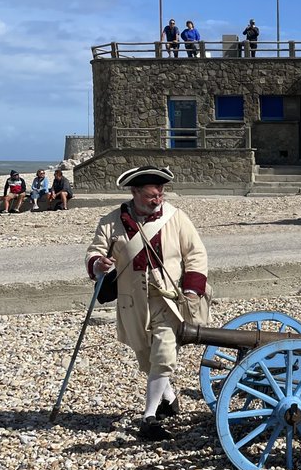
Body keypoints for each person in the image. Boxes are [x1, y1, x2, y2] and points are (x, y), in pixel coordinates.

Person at [85, 166, 210, 442]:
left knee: (164, 355)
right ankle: (169, 397)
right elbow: (94, 252)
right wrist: (99, 264)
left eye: (161, 194)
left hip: (169, 300)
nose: (158, 200)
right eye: (152, 196)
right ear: (135, 193)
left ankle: (149, 417)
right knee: (145, 356)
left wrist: (192, 288)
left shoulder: (176, 218)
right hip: (133, 302)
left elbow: (196, 253)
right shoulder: (110, 222)